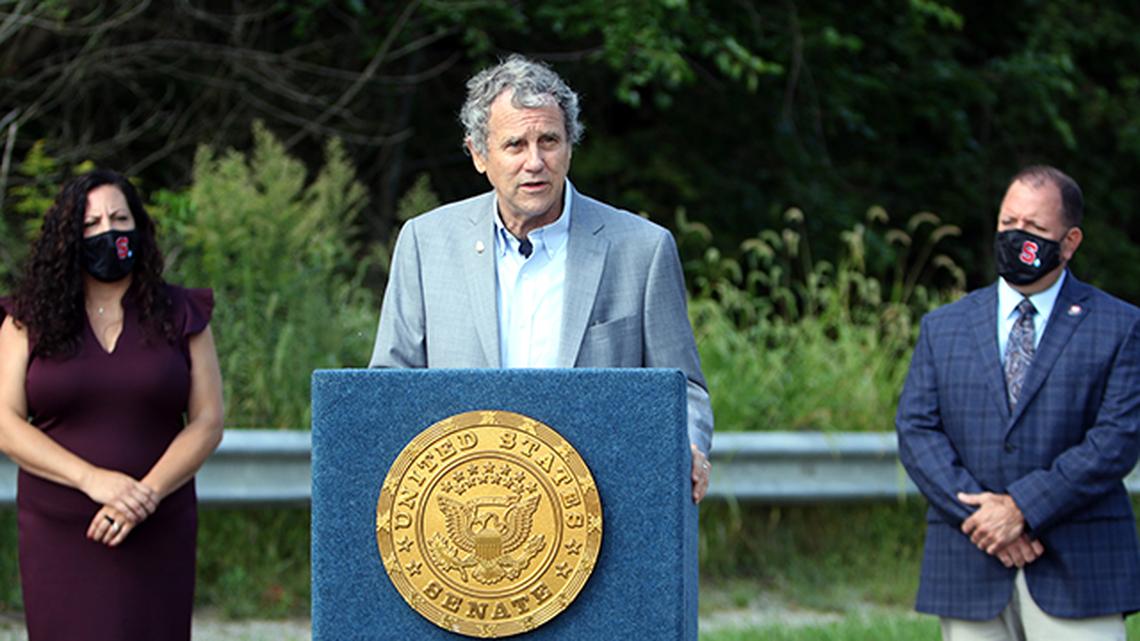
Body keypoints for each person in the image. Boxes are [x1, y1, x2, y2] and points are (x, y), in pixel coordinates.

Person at [369, 54, 714, 502]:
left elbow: (683, 389)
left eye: (549, 141)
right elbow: (388, 386)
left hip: (606, 502)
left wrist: (688, 445)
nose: (535, 161)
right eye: (515, 145)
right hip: (468, 511)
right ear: (478, 154)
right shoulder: (425, 243)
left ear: (570, 145)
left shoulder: (642, 250)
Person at [896, 165, 1140, 640]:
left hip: (1080, 570)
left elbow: (1116, 441)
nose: (1017, 237)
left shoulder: (1121, 326)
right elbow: (917, 431)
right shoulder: (944, 327)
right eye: (1009, 224)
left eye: (1034, 229)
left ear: (1069, 243)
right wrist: (984, 518)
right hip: (970, 564)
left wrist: (1022, 509)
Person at [0, 169, 224, 640]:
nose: (108, 231)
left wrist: (142, 498)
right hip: (60, 527)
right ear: (67, 239)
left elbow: (206, 422)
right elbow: (5, 422)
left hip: (158, 522)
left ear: (138, 229)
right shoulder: (26, 320)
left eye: (119, 218)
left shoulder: (183, 314)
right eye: (91, 224)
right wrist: (94, 481)